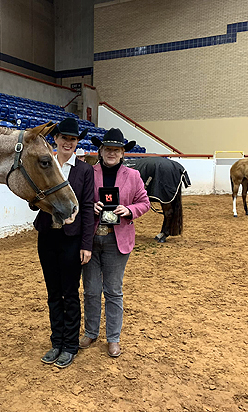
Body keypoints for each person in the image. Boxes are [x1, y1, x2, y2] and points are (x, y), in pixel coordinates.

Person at [79, 128, 150, 357]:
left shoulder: (133, 176)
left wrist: (128, 210)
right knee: (90, 290)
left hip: (117, 240)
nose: (111, 153)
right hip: (90, 239)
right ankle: (91, 332)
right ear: (101, 151)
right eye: (108, 149)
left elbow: (144, 203)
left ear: (122, 153)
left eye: (116, 150)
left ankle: (113, 338)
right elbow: (80, 201)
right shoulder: (90, 172)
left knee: (113, 290)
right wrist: (91, 206)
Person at [34, 117, 95, 368]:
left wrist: (86, 244)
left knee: (69, 293)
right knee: (52, 293)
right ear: (55, 139)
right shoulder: (45, 166)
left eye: (73, 139)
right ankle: (56, 342)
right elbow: (32, 199)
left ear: (76, 142)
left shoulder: (84, 170)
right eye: (64, 138)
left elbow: (89, 208)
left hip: (72, 240)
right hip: (47, 235)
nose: (68, 142)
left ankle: (70, 345)